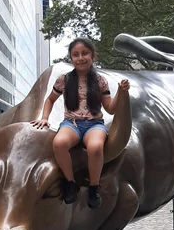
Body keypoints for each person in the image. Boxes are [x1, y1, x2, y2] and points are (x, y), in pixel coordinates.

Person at [31, 37, 130, 209]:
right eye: (75, 54)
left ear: (93, 56)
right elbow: (50, 100)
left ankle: (93, 187)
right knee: (59, 143)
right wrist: (44, 117)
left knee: (95, 147)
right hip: (72, 123)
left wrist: (122, 93)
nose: (80, 58)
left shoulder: (100, 81)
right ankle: (70, 182)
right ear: (71, 58)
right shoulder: (64, 80)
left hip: (94, 124)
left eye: (85, 53)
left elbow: (110, 108)